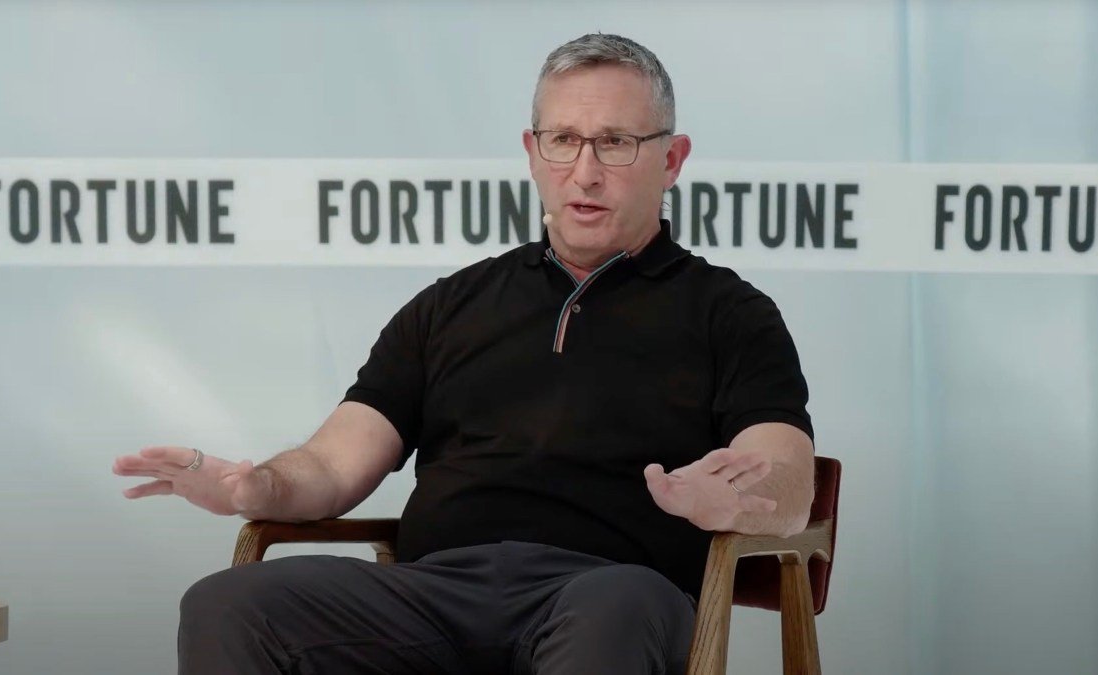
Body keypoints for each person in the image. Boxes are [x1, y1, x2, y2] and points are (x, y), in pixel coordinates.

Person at [113, 33, 815, 675]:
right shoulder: (450, 305)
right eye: (563, 140)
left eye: (616, 143)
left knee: (617, 607)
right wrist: (259, 487)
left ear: (672, 159)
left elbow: (787, 480)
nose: (585, 172)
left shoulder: (730, 314)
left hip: (609, 592)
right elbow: (331, 464)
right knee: (228, 603)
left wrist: (732, 501)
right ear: (532, 152)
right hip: (432, 597)